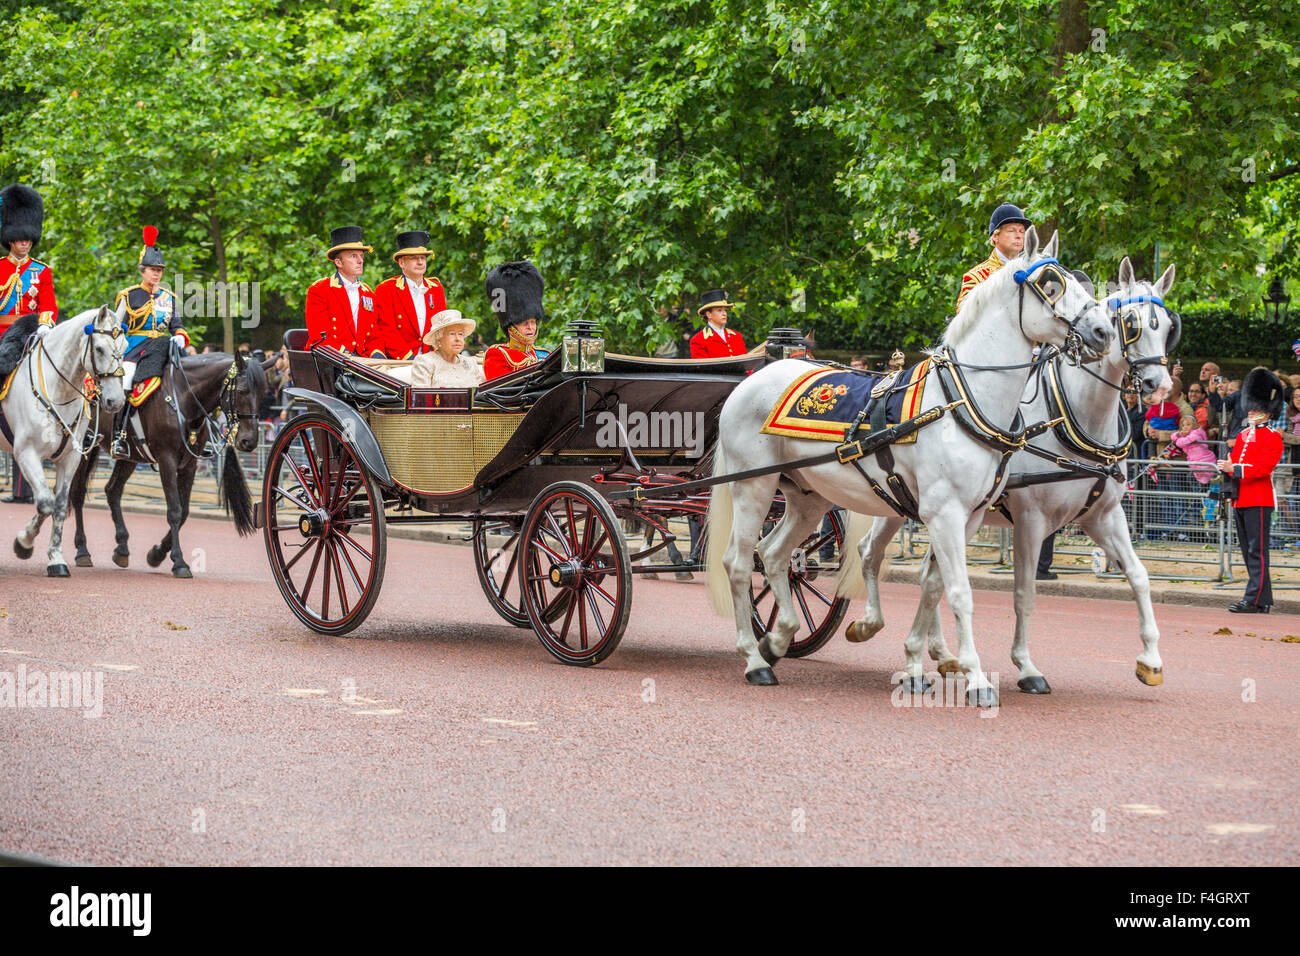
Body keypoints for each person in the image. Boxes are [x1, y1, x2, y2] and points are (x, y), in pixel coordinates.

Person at [112, 227, 190, 458]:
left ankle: (197, 435)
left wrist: (180, 336)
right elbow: (117, 328)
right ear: (143, 271)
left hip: (164, 347)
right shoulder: (129, 296)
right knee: (126, 380)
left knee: (190, 379)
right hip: (134, 349)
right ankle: (120, 436)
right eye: (152, 270)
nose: (157, 274)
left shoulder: (169, 298)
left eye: (159, 271)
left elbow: (178, 325)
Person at [0, 184, 57, 503]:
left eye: (28, 238)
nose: (24, 242)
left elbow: (48, 304)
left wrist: (46, 325)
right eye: (19, 237)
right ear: (10, 237)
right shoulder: (0, 269)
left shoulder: (41, 272)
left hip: (31, 335)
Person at [1218, 368, 1285, 613]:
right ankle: (1262, 599)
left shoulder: (1273, 437)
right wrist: (1225, 469)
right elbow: (1235, 463)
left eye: (1255, 409)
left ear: (1266, 412)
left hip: (1259, 499)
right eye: (1250, 408)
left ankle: (1253, 599)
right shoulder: (1243, 434)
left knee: (1257, 551)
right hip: (1240, 498)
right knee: (1248, 551)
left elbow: (1264, 468)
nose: (1250, 412)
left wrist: (1234, 468)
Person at [304, 226, 382, 355]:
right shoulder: (319, 290)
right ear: (338, 262)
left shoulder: (368, 293)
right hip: (332, 360)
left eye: (361, 256)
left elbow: (374, 336)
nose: (360, 261)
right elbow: (320, 338)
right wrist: (350, 360)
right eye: (353, 256)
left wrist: (378, 356)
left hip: (364, 362)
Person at [372, 230, 448, 359]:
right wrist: (409, 358)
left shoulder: (436, 289)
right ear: (401, 263)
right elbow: (387, 330)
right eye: (414, 258)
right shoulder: (386, 289)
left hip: (431, 359)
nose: (420, 262)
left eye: (423, 258)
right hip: (398, 360)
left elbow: (442, 326)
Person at [955, 202, 1032, 314]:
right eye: (1011, 231)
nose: (1019, 235)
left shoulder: (1033, 270)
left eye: (1022, 231)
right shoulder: (976, 276)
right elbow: (964, 319)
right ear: (995, 236)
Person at [483, 261, 548, 380]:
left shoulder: (545, 355)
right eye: (524, 322)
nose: (531, 327)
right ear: (511, 328)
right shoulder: (498, 355)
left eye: (533, 322)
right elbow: (502, 394)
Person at [409, 310, 485, 388]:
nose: (458, 338)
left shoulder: (471, 363)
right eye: (452, 333)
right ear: (438, 338)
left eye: (460, 334)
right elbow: (421, 398)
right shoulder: (424, 362)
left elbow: (480, 394)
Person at [689, 290, 747, 358]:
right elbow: (702, 368)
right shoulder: (698, 340)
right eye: (719, 310)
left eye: (725, 310)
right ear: (709, 314)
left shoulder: (737, 336)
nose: (724, 314)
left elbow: (747, 365)